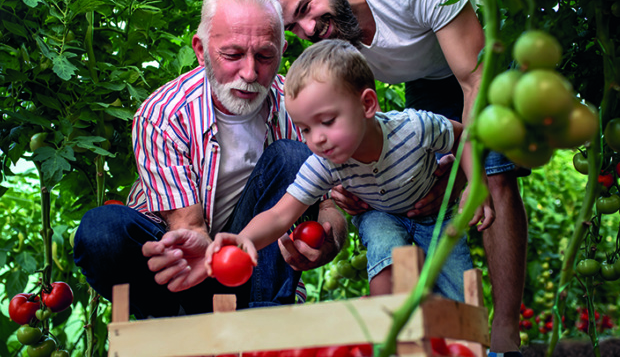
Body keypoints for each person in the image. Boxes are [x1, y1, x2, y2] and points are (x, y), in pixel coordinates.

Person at [251, 0, 528, 355]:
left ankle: (505, 332)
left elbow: (473, 81)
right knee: (434, 190)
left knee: (494, 174)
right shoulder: (333, 43)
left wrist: (468, 175)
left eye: (306, 9)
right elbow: (354, 128)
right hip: (426, 75)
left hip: (483, 56)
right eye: (293, 27)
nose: (308, 29)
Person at [73, 0, 346, 318]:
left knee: (290, 155)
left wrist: (330, 238)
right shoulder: (163, 115)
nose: (249, 73)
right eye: (232, 55)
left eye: (264, 56)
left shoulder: (297, 104)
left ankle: (266, 322)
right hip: (180, 262)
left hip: (252, 263)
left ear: (283, 50)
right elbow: (187, 227)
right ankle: (169, 323)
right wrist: (201, 249)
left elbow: (330, 200)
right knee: (101, 231)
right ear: (201, 50)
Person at [206, 39, 493, 301]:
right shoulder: (325, 162)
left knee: (459, 291)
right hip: (380, 214)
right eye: (305, 129)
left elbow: (462, 137)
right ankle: (385, 330)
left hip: (435, 216)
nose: (316, 138)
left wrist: (475, 182)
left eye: (327, 121)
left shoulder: (415, 128)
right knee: (384, 247)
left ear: (367, 104)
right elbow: (281, 213)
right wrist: (245, 238)